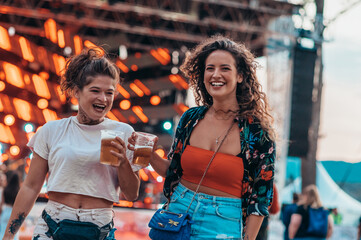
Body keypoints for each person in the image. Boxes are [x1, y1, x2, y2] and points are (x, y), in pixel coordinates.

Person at [137, 35, 276, 239]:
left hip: (223, 221)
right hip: (178, 210)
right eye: (210, 68)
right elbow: (172, 171)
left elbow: (261, 197)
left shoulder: (256, 131)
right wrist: (149, 155)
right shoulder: (190, 118)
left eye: (225, 68)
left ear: (240, 76)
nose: (215, 74)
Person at [3, 48, 141, 240]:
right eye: (95, 91)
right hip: (52, 227)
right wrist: (8, 236)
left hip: (99, 229)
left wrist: (124, 162)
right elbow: (31, 187)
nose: (103, 99)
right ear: (76, 91)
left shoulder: (124, 132)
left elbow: (132, 194)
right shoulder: (51, 130)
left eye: (109, 93)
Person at [0, 171, 20, 240]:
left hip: (5, 212)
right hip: (14, 213)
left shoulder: (5, 190)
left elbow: (1, 204)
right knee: (13, 233)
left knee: (2, 232)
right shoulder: (18, 191)